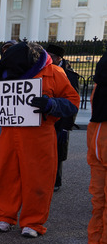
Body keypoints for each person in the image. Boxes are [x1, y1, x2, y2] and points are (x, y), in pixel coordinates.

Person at [0, 42, 79, 238]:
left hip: (40, 135)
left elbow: (72, 102)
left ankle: (33, 222)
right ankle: (4, 216)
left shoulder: (54, 73)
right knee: (5, 176)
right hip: (9, 134)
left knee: (38, 179)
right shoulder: (4, 72)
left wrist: (51, 104)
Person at [79, 51, 107, 244]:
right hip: (97, 142)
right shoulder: (99, 87)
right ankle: (95, 240)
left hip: (99, 139)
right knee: (98, 198)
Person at [47, 43, 81, 192]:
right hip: (48, 117)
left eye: (50, 56)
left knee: (58, 153)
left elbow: (74, 102)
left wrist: (67, 127)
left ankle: (56, 181)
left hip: (62, 120)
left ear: (57, 58)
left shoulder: (70, 76)